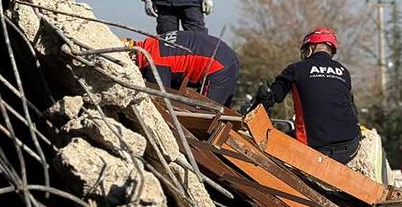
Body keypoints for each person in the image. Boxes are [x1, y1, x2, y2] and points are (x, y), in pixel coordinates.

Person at [253, 28, 360, 164]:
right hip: (350, 147)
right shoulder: (344, 72)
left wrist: (256, 105)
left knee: (272, 148)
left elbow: (270, 96)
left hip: (316, 149)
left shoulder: (296, 69)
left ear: (311, 48)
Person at [127, 30, 238, 107]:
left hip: (218, 67)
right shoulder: (154, 42)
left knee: (207, 118)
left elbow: (162, 102)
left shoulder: (155, 64)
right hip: (224, 55)